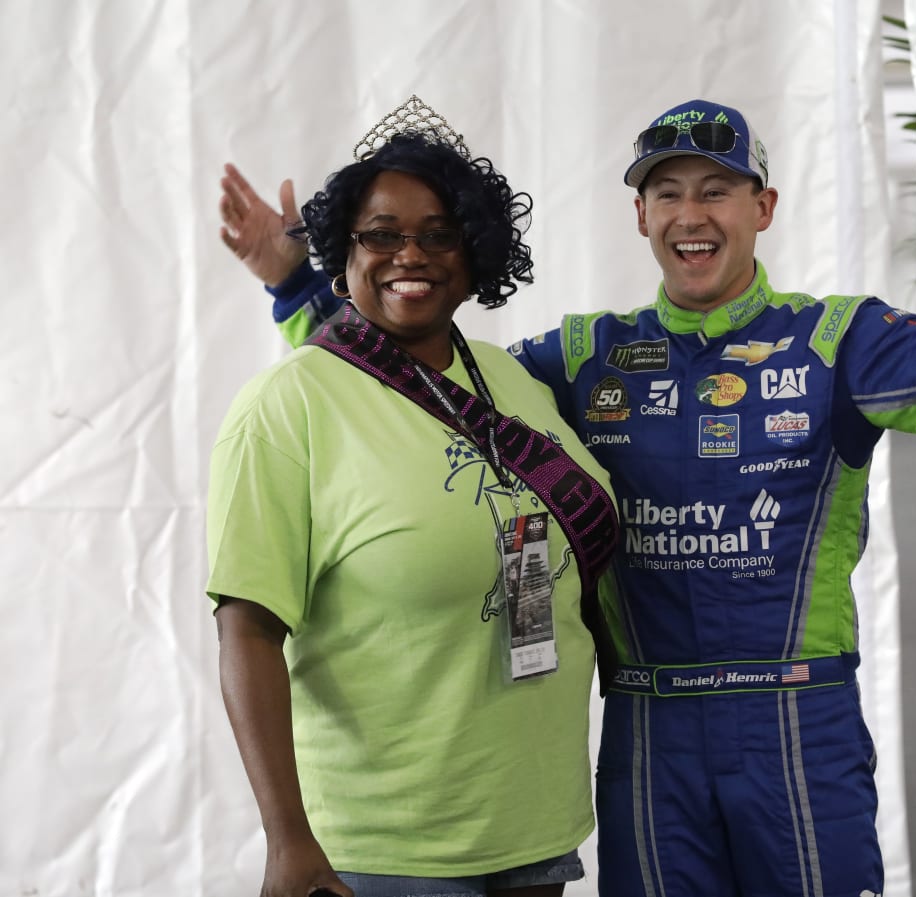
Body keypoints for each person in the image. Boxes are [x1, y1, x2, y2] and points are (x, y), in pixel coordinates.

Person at [221, 97, 916, 897]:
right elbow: (405, 386)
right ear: (641, 216)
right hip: (647, 729)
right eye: (668, 192)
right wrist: (294, 283)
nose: (692, 214)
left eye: (717, 190)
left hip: (795, 724)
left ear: (762, 208)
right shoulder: (580, 357)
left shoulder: (841, 340)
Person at [207, 96, 620, 897]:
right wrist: (288, 840)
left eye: (439, 233)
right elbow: (248, 629)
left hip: (537, 827)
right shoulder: (285, 408)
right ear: (343, 249)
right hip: (383, 849)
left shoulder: (513, 381)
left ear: (476, 249)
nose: (412, 254)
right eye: (382, 234)